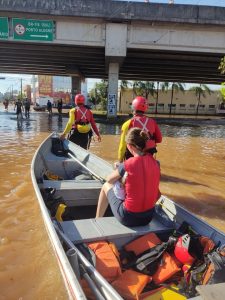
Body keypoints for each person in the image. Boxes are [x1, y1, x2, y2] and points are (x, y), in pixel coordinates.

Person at [96, 127, 161, 227]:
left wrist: (118, 168)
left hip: (128, 218)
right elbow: (157, 194)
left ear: (130, 146)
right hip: (148, 217)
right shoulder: (156, 163)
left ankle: (97, 220)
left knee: (105, 186)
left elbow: (109, 180)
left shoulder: (127, 164)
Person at [118, 96, 162, 162]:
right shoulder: (152, 121)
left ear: (133, 108)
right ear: (145, 108)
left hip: (133, 156)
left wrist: (120, 161)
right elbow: (159, 139)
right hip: (150, 153)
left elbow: (122, 146)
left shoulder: (127, 124)